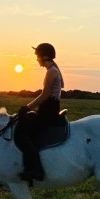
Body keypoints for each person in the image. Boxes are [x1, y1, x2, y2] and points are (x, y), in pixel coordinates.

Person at [14, 43, 64, 181]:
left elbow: (45, 95)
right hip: (48, 108)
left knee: (20, 132)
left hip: (48, 110)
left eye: (37, 56)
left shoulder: (51, 71)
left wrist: (27, 107)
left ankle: (35, 169)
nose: (37, 59)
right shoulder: (53, 70)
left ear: (45, 56)